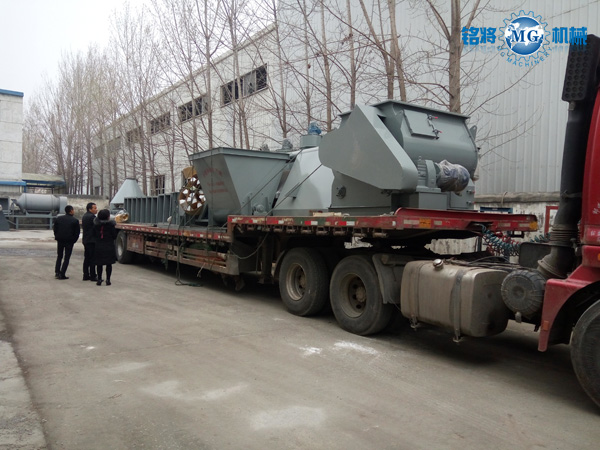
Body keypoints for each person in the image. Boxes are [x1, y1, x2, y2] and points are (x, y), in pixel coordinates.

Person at [53, 205, 80, 280]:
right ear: (71, 211)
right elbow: (77, 233)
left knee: (59, 256)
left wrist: (57, 236)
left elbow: (55, 229)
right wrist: (74, 240)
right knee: (67, 258)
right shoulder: (75, 220)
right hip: (69, 241)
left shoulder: (59, 219)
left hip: (60, 240)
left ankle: (57, 272)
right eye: (73, 210)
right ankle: (62, 273)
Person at [93, 209, 118, 286]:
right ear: (108, 217)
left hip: (98, 246)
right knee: (109, 264)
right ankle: (108, 280)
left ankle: (99, 279)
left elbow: (93, 234)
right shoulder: (111, 225)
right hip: (109, 246)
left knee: (99, 264)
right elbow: (114, 236)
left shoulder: (96, 225)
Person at [82, 202, 98, 281]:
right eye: (94, 208)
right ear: (90, 209)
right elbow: (96, 228)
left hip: (86, 240)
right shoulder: (92, 217)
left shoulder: (85, 216)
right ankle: (93, 275)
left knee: (87, 258)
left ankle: (86, 275)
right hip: (91, 240)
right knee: (92, 259)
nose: (96, 209)